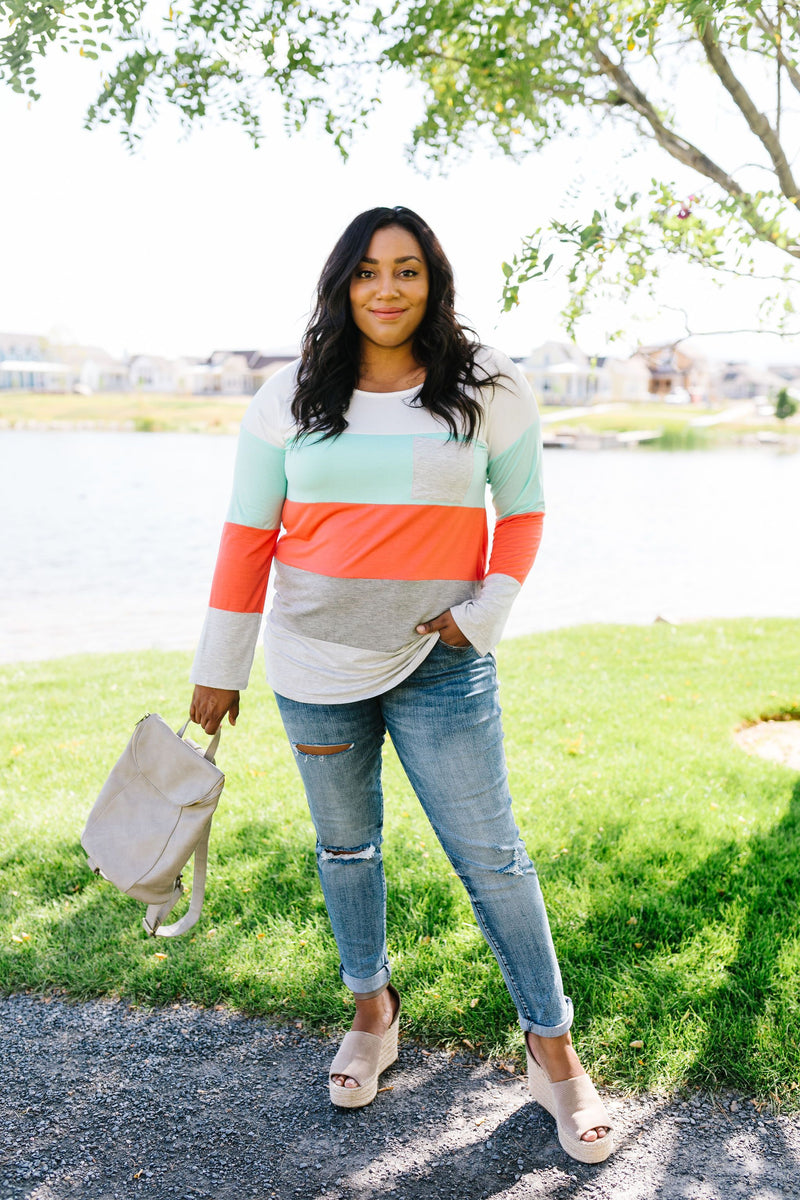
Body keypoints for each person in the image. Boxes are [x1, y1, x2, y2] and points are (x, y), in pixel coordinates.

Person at [189, 206, 613, 1163]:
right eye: (370, 271)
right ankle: (372, 1011)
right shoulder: (289, 394)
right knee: (347, 852)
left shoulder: (486, 383)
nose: (388, 289)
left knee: (494, 856)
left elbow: (525, 513)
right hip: (311, 665)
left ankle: (555, 1056)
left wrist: (481, 612)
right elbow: (248, 536)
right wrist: (219, 667)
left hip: (442, 663)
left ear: (434, 282)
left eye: (408, 271)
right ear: (344, 283)